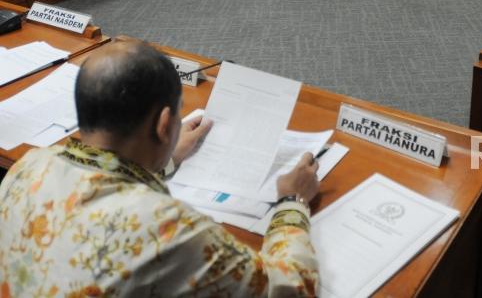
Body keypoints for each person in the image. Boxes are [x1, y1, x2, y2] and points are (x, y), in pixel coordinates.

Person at [0, 40, 320, 295]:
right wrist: (293, 202)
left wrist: (165, 160)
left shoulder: (27, 167)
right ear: (164, 124)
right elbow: (289, 289)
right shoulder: (169, 230)